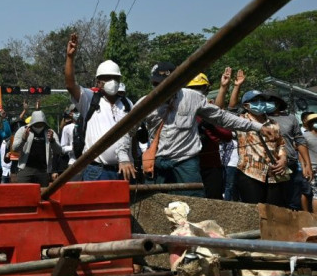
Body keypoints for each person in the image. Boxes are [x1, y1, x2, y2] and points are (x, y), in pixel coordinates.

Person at [117, 63, 280, 198]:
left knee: (194, 203)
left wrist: (257, 127)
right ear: (153, 84)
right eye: (158, 84)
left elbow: (222, 117)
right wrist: (124, 158)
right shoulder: (145, 103)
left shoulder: (192, 98)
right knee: (155, 202)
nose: (162, 88)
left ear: (177, 82)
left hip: (186, 161)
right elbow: (127, 130)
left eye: (167, 83)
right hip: (157, 162)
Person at [65, 33, 136, 181]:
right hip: (96, 171)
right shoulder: (90, 100)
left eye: (116, 78)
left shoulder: (127, 104)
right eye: (108, 78)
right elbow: (70, 85)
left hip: (124, 170)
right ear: (98, 82)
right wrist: (70, 58)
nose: (113, 82)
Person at [234, 90, 290, 207]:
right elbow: (226, 109)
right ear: (246, 105)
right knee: (254, 212)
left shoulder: (273, 123)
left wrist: (283, 159)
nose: (260, 103)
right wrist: (235, 87)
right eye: (255, 101)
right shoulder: (240, 121)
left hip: (274, 174)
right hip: (249, 173)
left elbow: (281, 144)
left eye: (262, 100)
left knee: (275, 211)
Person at [185, 73, 233, 199]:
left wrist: (210, 126)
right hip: (186, 166)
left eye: (200, 88)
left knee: (214, 202)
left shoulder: (210, 110)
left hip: (211, 166)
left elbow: (227, 136)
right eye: (193, 88)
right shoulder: (180, 110)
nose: (196, 92)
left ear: (206, 90)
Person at [11, 110, 63, 186]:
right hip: (26, 168)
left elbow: (58, 151)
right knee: (23, 194)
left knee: (41, 195)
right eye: (37, 124)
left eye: (41, 124)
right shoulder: (22, 130)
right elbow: (14, 148)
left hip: (43, 170)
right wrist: (23, 139)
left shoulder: (50, 132)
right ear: (32, 123)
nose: (39, 126)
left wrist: (52, 141)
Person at [301, 113, 317, 212]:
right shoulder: (305, 136)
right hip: (312, 168)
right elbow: (300, 153)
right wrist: (305, 167)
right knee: (308, 192)